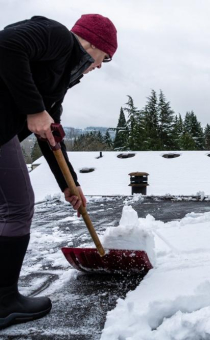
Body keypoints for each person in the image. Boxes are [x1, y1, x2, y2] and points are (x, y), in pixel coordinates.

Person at [0, 14, 117, 329]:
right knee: (17, 206)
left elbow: (50, 134)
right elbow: (6, 44)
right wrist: (34, 108)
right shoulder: (55, 35)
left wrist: (71, 184)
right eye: (104, 57)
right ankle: (4, 302)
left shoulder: (60, 77)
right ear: (91, 43)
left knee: (7, 209)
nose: (102, 66)